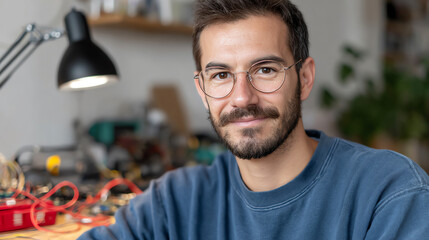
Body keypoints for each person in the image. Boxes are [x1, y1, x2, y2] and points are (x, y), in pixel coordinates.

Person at [79, 0, 429, 239]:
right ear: (202, 90)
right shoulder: (173, 203)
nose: (242, 98)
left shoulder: (389, 191)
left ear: (304, 79)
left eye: (265, 70)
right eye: (220, 76)